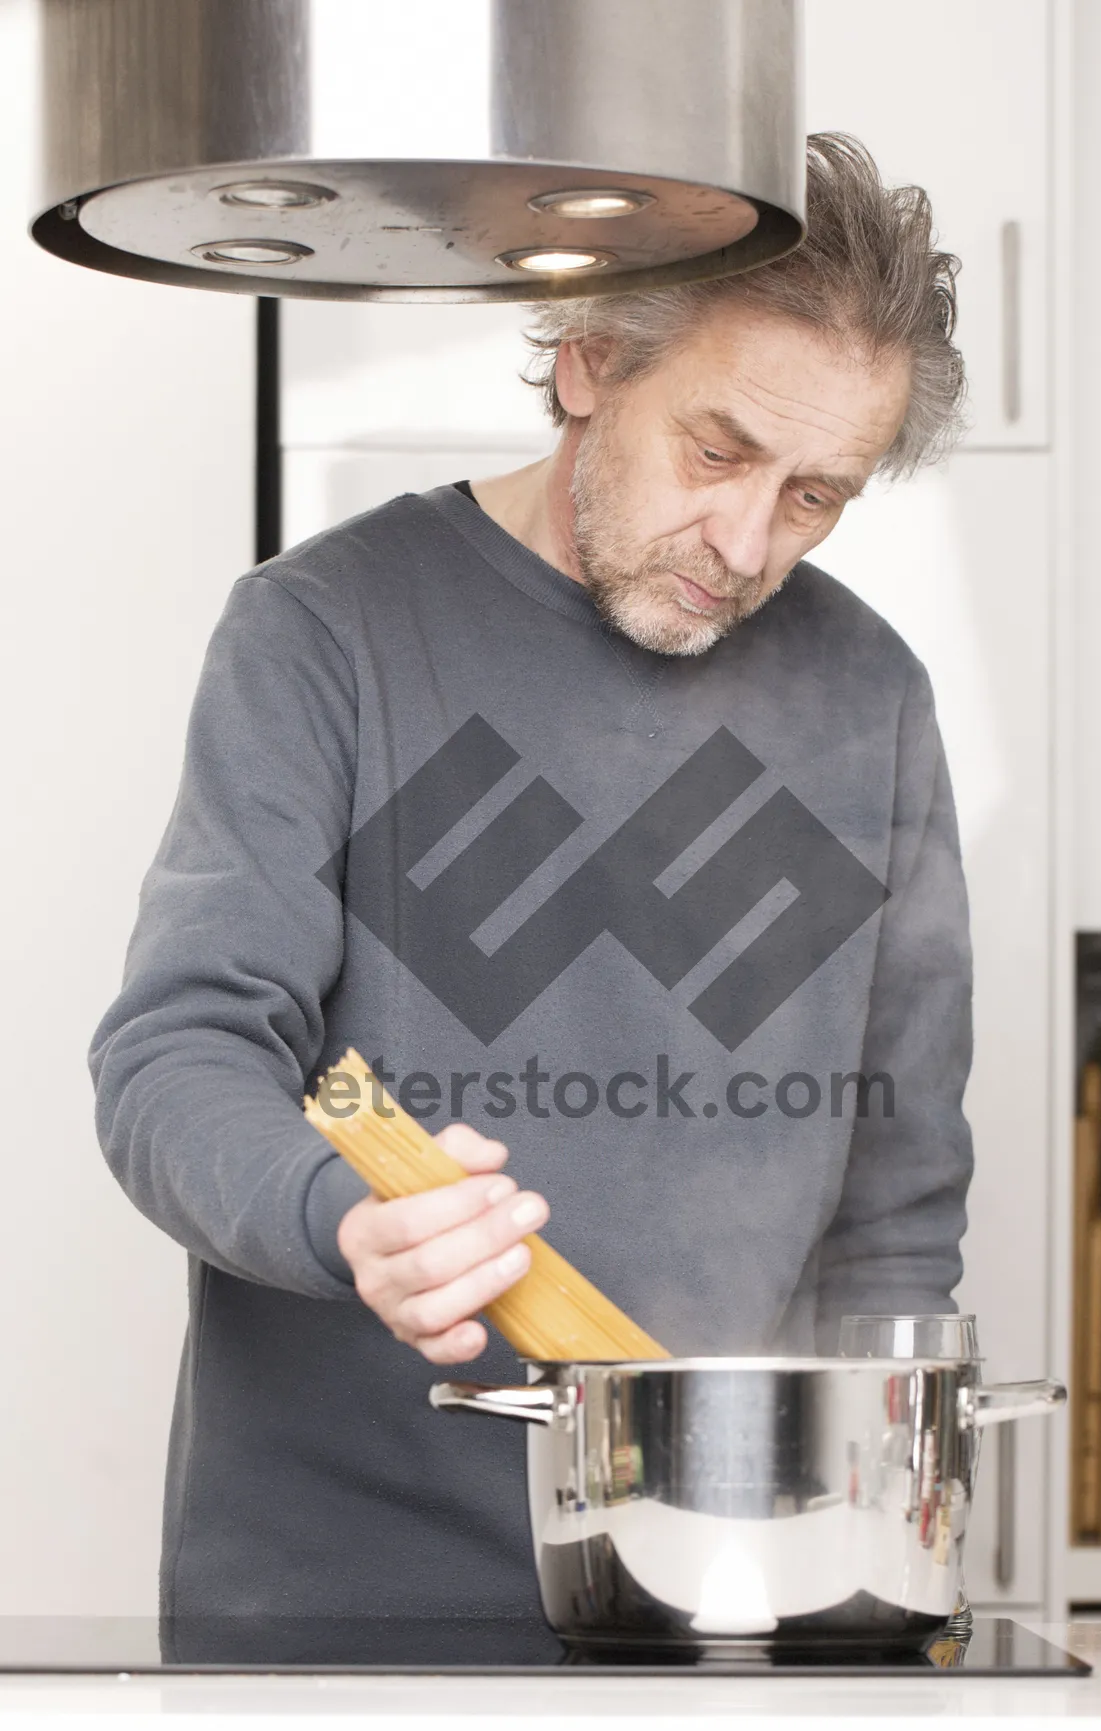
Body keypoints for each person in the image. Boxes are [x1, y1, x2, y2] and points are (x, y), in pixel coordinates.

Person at [88, 133, 974, 1623]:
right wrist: (338, 1215)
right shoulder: (327, 632)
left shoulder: (870, 696)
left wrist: (888, 1573)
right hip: (329, 1607)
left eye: (819, 496)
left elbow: (897, 1198)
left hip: (714, 1588)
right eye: (719, 453)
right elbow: (176, 1058)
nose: (750, 543)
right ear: (585, 365)